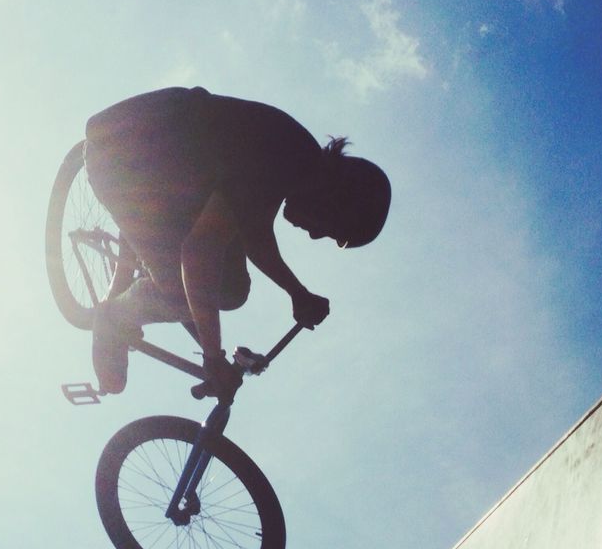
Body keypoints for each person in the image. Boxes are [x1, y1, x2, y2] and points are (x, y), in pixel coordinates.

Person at [82, 86, 391, 399]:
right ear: (337, 202)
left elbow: (255, 238)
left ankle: (142, 251)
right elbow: (200, 252)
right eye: (328, 230)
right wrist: (213, 358)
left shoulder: (296, 161)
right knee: (213, 287)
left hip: (150, 159)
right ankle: (112, 318)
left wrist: (297, 293)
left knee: (229, 284)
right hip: (121, 160)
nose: (314, 235)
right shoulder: (284, 163)